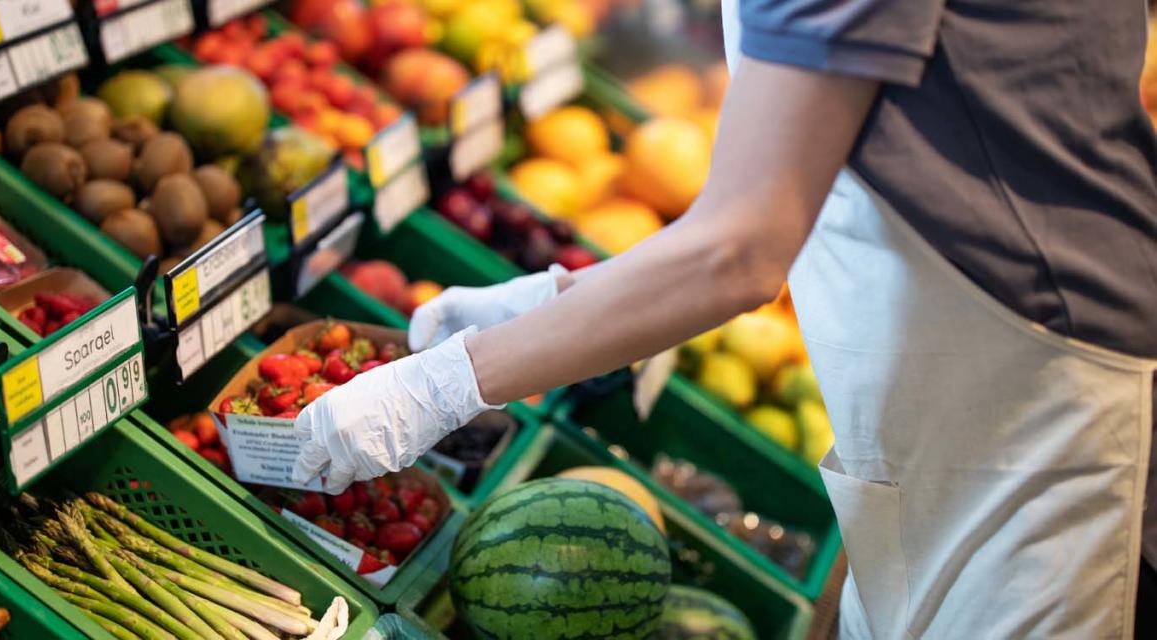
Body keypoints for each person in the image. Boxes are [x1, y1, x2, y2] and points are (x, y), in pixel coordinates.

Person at [294, 1, 1157, 636]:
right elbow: (790, 180)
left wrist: (444, 385)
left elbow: (740, 251)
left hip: (1032, 400)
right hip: (962, 381)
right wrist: (554, 303)